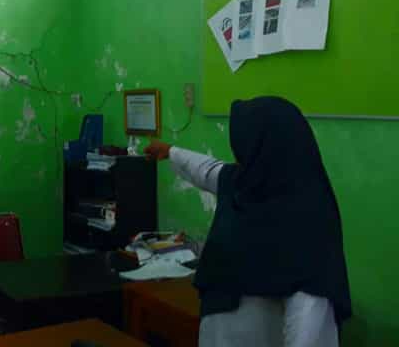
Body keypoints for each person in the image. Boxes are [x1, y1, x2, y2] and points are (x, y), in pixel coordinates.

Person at [144, 97, 351, 347]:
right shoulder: (246, 182)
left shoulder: (308, 219)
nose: (238, 152)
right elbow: (208, 171)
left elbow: (309, 320)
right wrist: (170, 152)